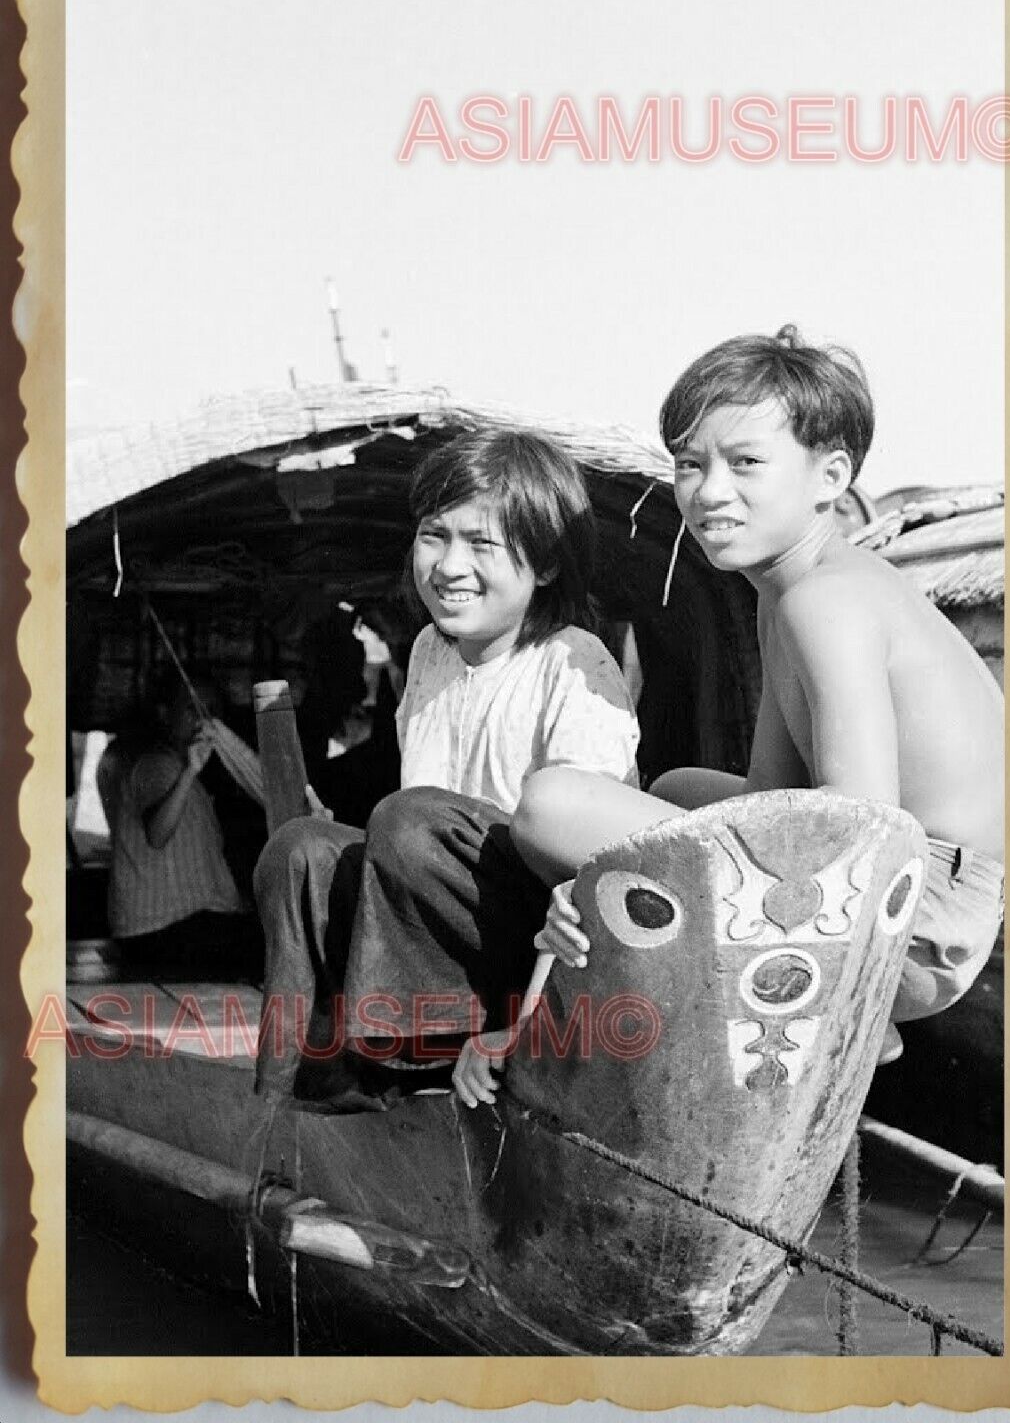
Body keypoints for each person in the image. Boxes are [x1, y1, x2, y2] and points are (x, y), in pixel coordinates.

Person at [453, 325, 1004, 1105]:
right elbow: (768, 800)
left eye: (746, 463)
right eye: (690, 464)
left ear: (831, 475)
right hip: (927, 908)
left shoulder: (827, 601)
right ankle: (636, 957)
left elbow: (862, 828)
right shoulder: (784, 598)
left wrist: (594, 880)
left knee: (551, 803)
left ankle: (845, 1009)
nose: (708, 491)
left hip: (907, 922)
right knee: (675, 789)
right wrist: (607, 875)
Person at [253, 427, 639, 1105]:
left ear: (544, 565)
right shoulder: (431, 652)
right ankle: (298, 1078)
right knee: (301, 850)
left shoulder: (575, 664)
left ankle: (409, 1062)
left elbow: (591, 884)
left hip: (551, 954)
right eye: (435, 536)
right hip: (449, 943)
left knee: (409, 821)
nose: (449, 566)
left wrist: (522, 1029)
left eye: (482, 543)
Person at [97, 671, 262, 978]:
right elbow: (157, 833)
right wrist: (189, 773)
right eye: (192, 709)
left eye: (211, 710)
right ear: (164, 713)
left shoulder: (181, 772)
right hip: (160, 931)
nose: (204, 719)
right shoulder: (156, 765)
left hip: (173, 927)